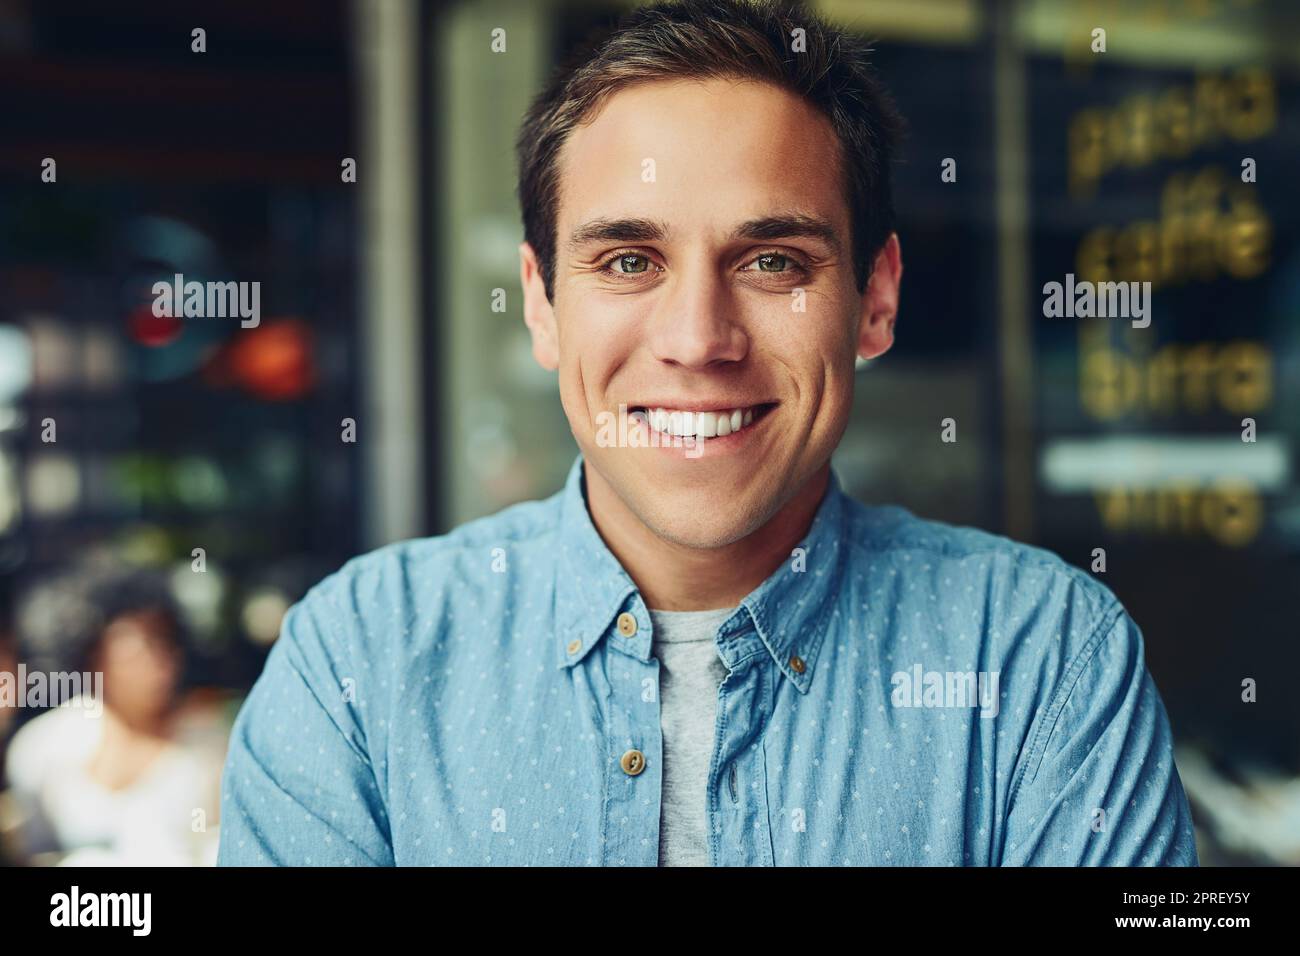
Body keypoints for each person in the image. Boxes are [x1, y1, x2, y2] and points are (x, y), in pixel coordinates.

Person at [218, 0, 1198, 866]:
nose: (698, 340)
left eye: (772, 259)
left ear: (875, 298)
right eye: (629, 259)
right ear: (542, 305)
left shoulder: (1041, 657)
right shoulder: (360, 659)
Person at [4, 565, 222, 866]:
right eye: (142, 642)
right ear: (93, 653)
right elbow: (35, 854)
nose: (161, 659)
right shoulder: (42, 749)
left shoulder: (210, 750)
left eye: (167, 640)